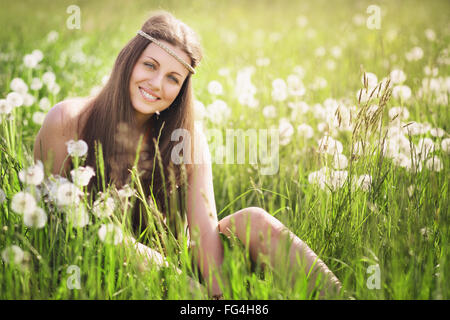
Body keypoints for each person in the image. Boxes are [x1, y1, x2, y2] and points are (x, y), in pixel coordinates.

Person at [33, 10, 342, 299]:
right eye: (150, 66)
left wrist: (217, 295)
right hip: (98, 265)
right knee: (124, 244)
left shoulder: (187, 141)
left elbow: (205, 240)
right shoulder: (68, 121)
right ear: (129, 61)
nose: (156, 84)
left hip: (178, 272)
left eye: (173, 78)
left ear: (181, 90)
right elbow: (57, 225)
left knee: (255, 221)